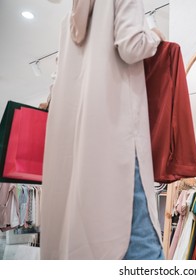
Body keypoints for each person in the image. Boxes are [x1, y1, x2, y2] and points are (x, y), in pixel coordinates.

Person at [40, 0, 165, 259]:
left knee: (84, 225)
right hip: (116, 129)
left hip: (80, 140)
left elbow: (55, 88)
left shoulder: (70, 19)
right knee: (136, 234)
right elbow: (132, 46)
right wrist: (155, 35)